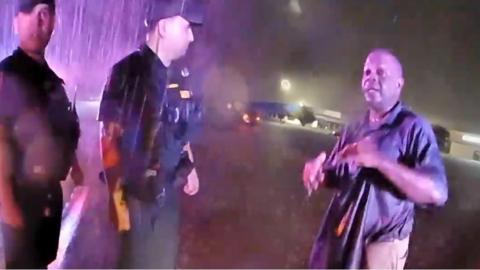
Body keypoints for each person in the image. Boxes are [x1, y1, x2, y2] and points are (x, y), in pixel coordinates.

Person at [303, 49, 448, 269]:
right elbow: (334, 175)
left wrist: (379, 160)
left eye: (381, 73)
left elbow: (437, 193)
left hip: (381, 245)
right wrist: (317, 173)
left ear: (399, 84)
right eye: (367, 72)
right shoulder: (354, 127)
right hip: (345, 235)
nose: (371, 77)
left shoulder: (413, 128)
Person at [98, 0, 206, 268]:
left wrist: (190, 166)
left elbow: (179, 129)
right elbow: (108, 138)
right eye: (186, 28)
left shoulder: (180, 78)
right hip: (135, 198)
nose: (192, 37)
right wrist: (118, 203)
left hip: (168, 196)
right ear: (163, 27)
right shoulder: (127, 71)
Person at [0, 0, 82, 268]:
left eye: (45, 13)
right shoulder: (7, 75)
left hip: (48, 200)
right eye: (29, 13)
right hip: (21, 198)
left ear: (54, 22)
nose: (38, 22)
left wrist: (76, 166)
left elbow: (61, 128)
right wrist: (8, 206)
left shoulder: (51, 82)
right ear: (16, 23)